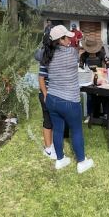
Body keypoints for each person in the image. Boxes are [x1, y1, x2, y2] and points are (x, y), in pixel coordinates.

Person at [41, 25, 94, 173]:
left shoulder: (47, 54)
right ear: (60, 40)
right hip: (69, 100)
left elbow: (37, 55)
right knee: (76, 131)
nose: (70, 39)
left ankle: (60, 160)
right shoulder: (72, 53)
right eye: (67, 37)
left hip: (52, 99)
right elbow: (84, 50)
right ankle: (82, 162)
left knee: (58, 130)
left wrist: (47, 44)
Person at [79, 38, 109, 123]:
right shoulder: (83, 56)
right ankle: (90, 114)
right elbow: (80, 69)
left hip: (101, 78)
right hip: (88, 79)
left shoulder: (102, 54)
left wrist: (105, 74)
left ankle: (105, 113)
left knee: (105, 95)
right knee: (90, 96)